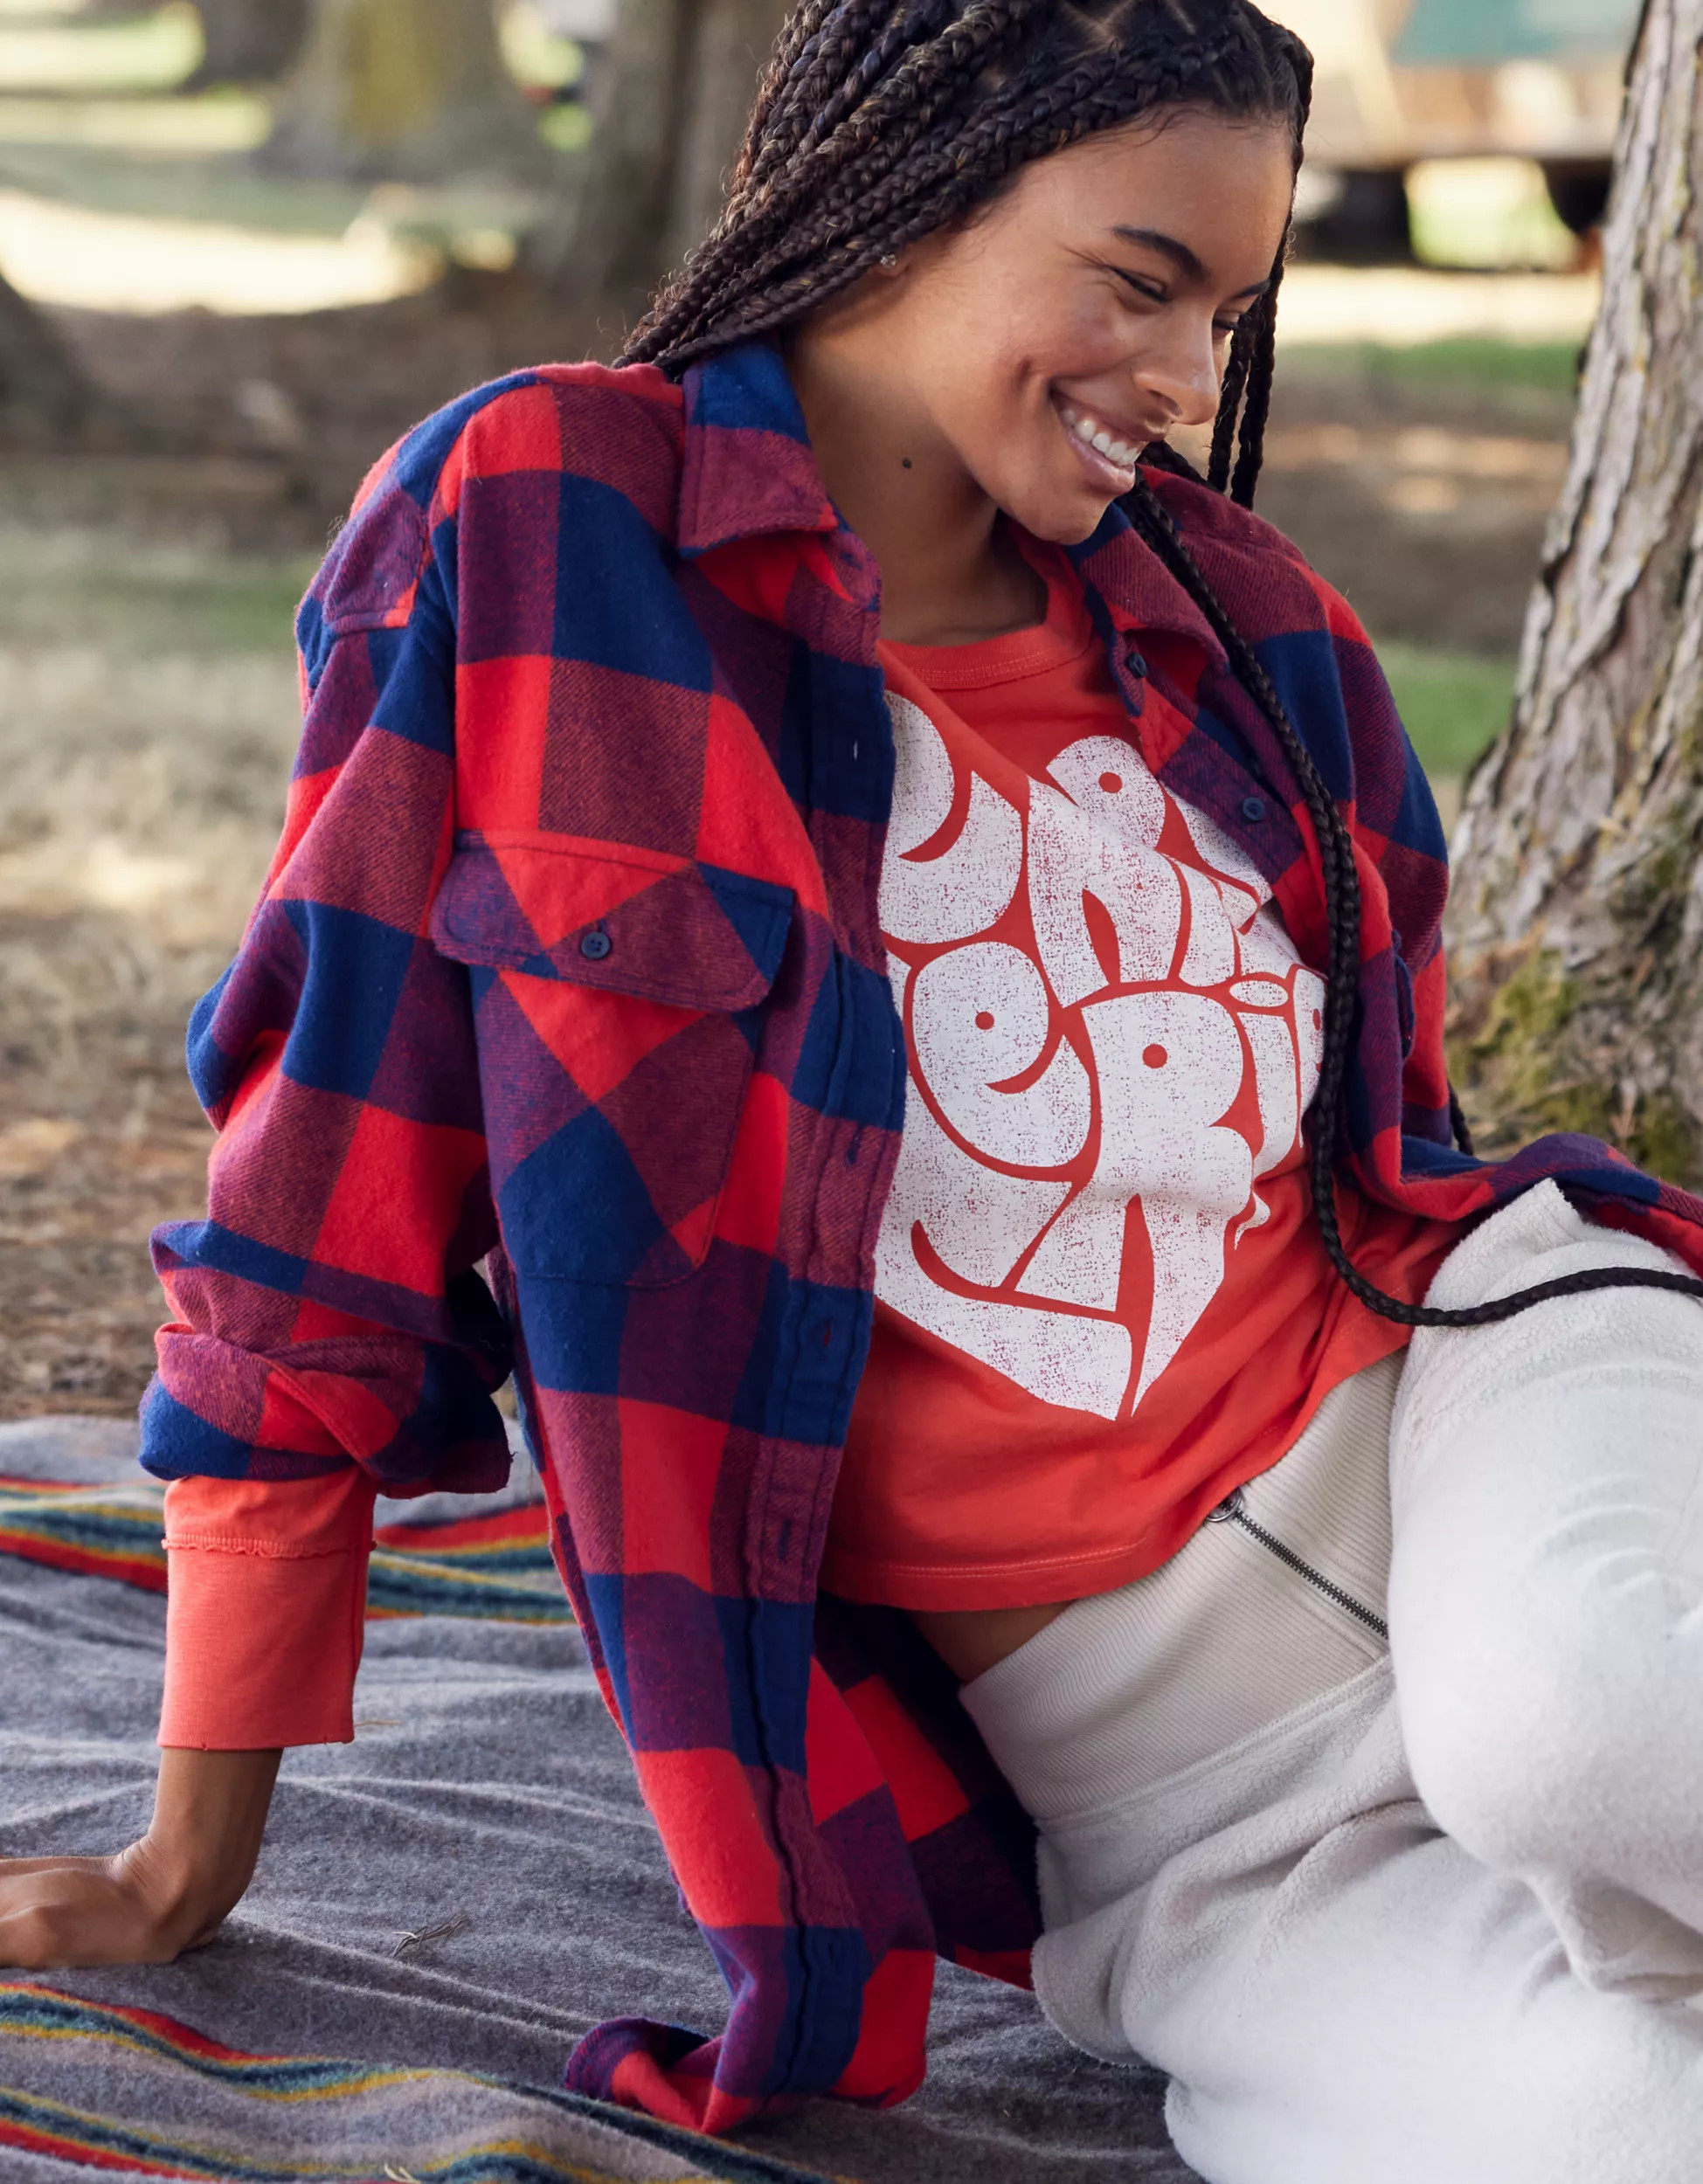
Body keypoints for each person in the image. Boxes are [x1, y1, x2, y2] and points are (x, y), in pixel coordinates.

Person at [3, 3, 1701, 2177]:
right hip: (1208, 1823)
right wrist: (186, 1856)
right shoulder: (543, 529)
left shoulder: (1255, 633)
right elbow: (314, 1201)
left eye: (1229, 310)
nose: (1192, 379)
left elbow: (1408, 1154)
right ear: (907, 200)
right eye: (1140, 281)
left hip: (1496, 1427)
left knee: (1585, 1723)